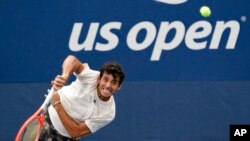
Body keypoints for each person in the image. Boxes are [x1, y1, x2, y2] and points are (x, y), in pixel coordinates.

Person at [39, 55, 125, 141]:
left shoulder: (109, 113)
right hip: (46, 120)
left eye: (114, 82)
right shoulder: (92, 76)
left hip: (65, 138)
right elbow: (72, 60)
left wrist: (57, 103)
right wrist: (65, 76)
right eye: (105, 79)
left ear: (119, 86)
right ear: (99, 79)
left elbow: (75, 132)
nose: (108, 85)